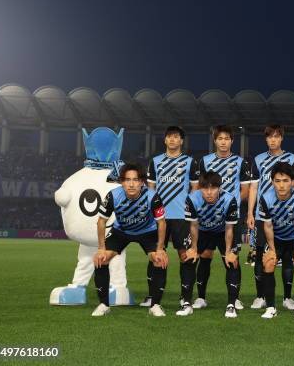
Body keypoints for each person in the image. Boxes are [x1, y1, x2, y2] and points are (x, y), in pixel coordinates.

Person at [91, 163, 168, 317]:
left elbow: (161, 222)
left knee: (159, 260)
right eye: (127, 180)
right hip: (121, 231)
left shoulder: (152, 196)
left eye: (135, 180)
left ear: (141, 182)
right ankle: (104, 305)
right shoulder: (113, 195)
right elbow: (101, 221)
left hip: (147, 231)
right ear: (122, 182)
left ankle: (155, 305)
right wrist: (101, 248)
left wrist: (160, 249)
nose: (131, 184)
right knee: (101, 259)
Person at [140, 126, 199, 316]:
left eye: (176, 137)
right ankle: (152, 296)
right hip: (159, 218)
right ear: (165, 140)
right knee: (157, 255)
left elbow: (195, 188)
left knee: (185, 256)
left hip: (182, 217)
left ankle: (186, 299)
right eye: (169, 137)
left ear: (181, 141)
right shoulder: (155, 162)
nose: (173, 140)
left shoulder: (190, 162)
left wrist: (188, 208)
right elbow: (150, 189)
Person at [192, 125, 250, 310]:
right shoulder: (205, 161)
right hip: (207, 217)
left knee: (231, 257)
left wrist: (227, 203)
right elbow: (200, 187)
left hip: (230, 218)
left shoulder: (241, 162)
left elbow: (246, 190)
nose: (223, 142)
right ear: (215, 141)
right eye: (220, 138)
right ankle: (201, 297)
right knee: (204, 255)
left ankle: (235, 298)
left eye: (227, 138)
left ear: (232, 141)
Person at [247, 125, 294, 311]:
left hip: (287, 214)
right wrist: (250, 213)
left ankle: (287, 297)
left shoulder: (293, 159)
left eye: (276, 136)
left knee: (287, 257)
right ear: (266, 139)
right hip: (263, 215)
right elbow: (254, 188)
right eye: (270, 137)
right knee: (261, 255)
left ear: (281, 139)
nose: (273, 140)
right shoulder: (258, 160)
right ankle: (260, 296)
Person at [185, 171, 241, 318]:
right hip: (203, 231)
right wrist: (194, 248)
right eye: (205, 188)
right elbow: (193, 226)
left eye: (213, 188)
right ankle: (192, 301)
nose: (209, 192)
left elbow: (230, 228)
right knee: (190, 258)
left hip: (223, 230)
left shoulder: (230, 200)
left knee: (232, 262)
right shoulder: (192, 199)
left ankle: (232, 304)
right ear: (200, 188)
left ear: (219, 188)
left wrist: (229, 251)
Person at [257, 162, 294, 320]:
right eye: (278, 181)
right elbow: (267, 226)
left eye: (286, 181)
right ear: (272, 181)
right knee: (268, 262)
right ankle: (271, 307)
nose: (281, 185)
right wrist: (272, 250)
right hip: (277, 238)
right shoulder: (265, 199)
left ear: (292, 182)